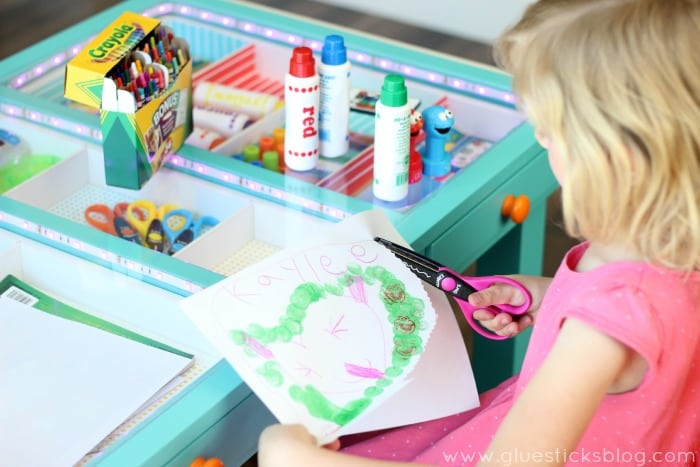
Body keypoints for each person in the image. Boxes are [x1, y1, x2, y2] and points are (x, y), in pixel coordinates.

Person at [257, 0, 700, 464]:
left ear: (613, 157)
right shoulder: (663, 250)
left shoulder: (605, 323)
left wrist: (293, 458)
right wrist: (550, 296)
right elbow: (649, 329)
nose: (541, 139)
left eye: (549, 130)